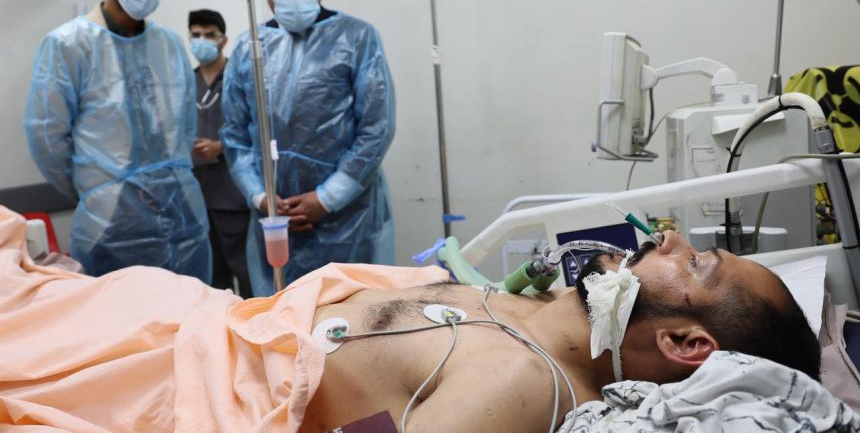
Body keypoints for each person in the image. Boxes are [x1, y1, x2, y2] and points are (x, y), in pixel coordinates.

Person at [2, 200, 822, 432]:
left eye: (697, 264)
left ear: (684, 341)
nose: (670, 238)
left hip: (182, 380)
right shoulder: (533, 310)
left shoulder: (518, 383)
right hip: (193, 318)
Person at [23, 0, 210, 281]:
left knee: (195, 309)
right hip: (110, 229)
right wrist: (98, 190)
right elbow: (47, 139)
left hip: (183, 218)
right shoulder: (68, 44)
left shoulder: (169, 44)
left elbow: (185, 125)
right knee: (121, 313)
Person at [221, 0, 396, 294]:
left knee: (352, 310)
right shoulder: (247, 48)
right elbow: (235, 136)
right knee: (282, 312)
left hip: (348, 218)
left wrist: (329, 197)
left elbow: (376, 128)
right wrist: (261, 197)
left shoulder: (357, 38)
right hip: (275, 220)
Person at [188, 9, 252, 298]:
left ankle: (254, 319)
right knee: (213, 277)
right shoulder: (186, 81)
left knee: (245, 270)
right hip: (199, 192)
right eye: (196, 34)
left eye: (209, 34)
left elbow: (255, 127)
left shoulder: (238, 78)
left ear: (223, 40)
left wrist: (221, 146)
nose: (201, 40)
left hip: (233, 192)